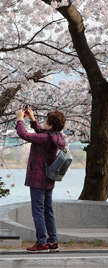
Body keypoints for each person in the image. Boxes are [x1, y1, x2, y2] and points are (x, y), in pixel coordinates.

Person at [15, 106, 67, 253]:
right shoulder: (57, 137)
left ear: (50, 124)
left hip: (38, 178)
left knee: (38, 211)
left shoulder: (45, 138)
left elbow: (24, 134)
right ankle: (52, 241)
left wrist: (20, 119)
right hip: (49, 178)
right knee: (47, 211)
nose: (43, 123)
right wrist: (32, 119)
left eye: (45, 121)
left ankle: (41, 242)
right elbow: (42, 133)